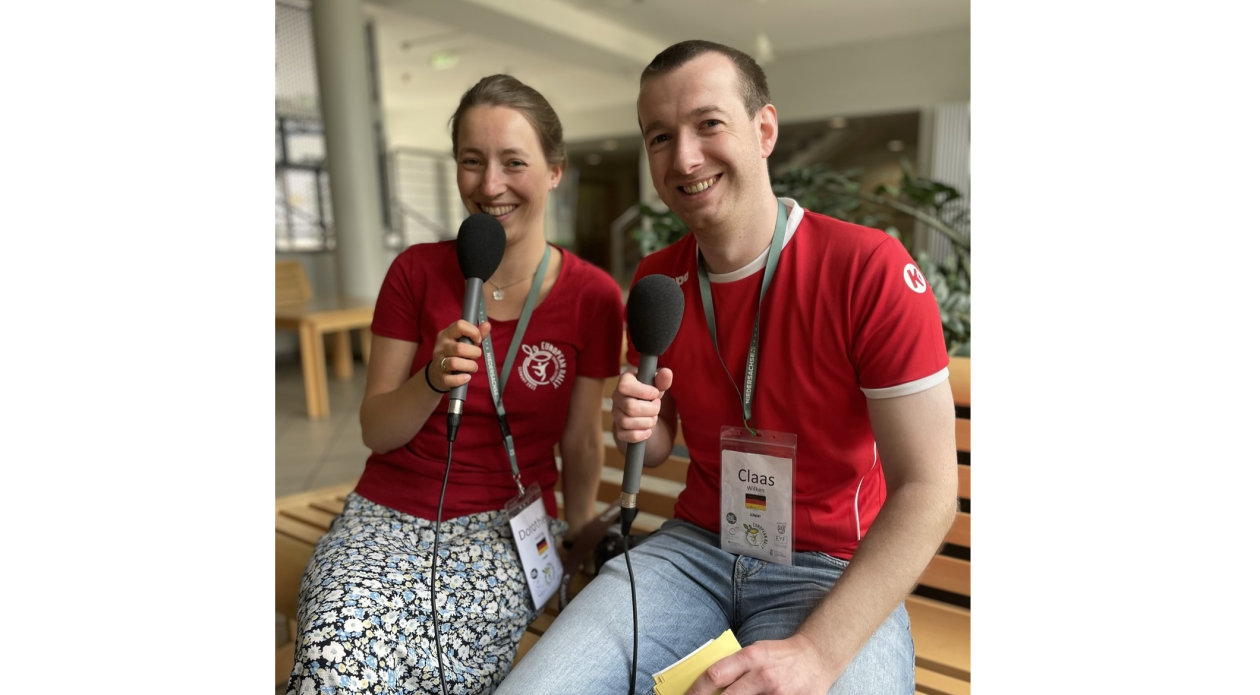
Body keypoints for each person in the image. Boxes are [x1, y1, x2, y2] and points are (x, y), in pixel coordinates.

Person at [497, 41, 958, 695]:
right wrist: (640, 422)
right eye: (660, 137)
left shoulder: (868, 268)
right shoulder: (659, 280)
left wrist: (816, 652)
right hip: (693, 550)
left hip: (831, 569)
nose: (684, 158)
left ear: (763, 130)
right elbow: (659, 446)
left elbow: (930, 488)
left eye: (708, 124)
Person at [285, 74, 626, 695]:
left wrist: (576, 537)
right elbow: (376, 429)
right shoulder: (415, 271)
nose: (490, 185)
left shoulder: (593, 296)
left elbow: (581, 439)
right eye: (472, 161)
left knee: (446, 669)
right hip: (385, 516)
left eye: (513, 162)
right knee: (334, 654)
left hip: (508, 528)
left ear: (555, 171)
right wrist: (432, 379)